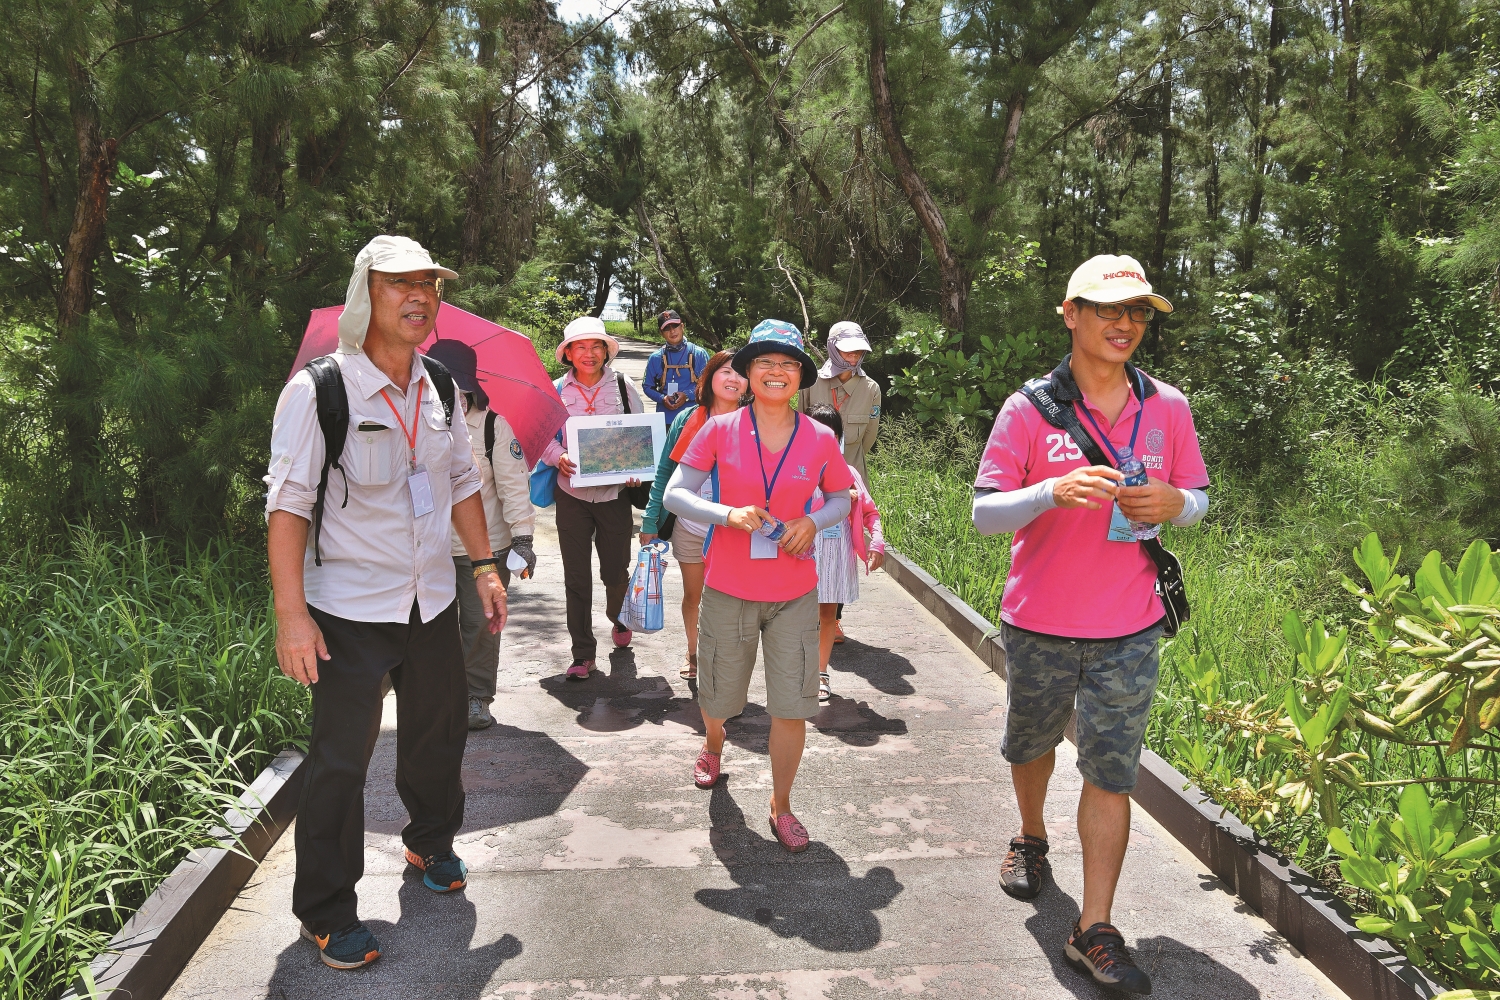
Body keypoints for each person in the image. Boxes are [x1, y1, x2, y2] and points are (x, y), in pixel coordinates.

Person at [265, 236, 506, 970]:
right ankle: (328, 910)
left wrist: (487, 567)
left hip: (430, 598)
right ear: (366, 294)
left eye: (429, 285)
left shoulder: (439, 385)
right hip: (348, 608)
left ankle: (430, 842)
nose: (420, 296)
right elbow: (288, 506)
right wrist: (292, 614)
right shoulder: (319, 390)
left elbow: (463, 481)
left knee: (439, 736)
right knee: (341, 760)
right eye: (401, 283)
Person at [971, 254, 1209, 995]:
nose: (1125, 323)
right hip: (1039, 622)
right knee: (1030, 743)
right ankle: (1031, 836)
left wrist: (1177, 504)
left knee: (1112, 773)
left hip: (1130, 627)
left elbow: (1198, 494)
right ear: (1070, 314)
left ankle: (1094, 927)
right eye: (1109, 309)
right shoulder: (1029, 409)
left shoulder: (1166, 405)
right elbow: (983, 513)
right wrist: (1048, 491)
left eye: (1137, 312)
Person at [664, 319, 853, 853]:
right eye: (764, 363)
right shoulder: (719, 430)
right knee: (720, 696)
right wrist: (726, 513)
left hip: (794, 592)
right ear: (747, 373)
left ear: (800, 377)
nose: (776, 372)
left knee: (792, 705)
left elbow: (842, 497)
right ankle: (714, 743)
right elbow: (679, 494)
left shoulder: (818, 436)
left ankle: (781, 803)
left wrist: (814, 522)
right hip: (727, 587)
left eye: (788, 364)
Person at [424, 339, 538, 732]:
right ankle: (438, 696)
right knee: (431, 627)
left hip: (483, 549)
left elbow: (513, 487)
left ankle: (476, 697)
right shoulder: (414, 423)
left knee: (479, 625)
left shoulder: (493, 427)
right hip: (430, 549)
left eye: (458, 384)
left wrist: (523, 538)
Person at [540, 316, 646, 681]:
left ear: (605, 351)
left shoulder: (622, 385)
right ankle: (582, 653)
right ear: (568, 353)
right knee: (576, 576)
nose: (589, 353)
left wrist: (637, 464)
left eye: (596, 346)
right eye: (580, 347)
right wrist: (558, 457)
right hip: (571, 496)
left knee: (615, 571)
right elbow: (541, 437)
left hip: (615, 495)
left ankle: (618, 615)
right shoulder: (554, 390)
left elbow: (638, 434)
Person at [639, 350, 746, 679]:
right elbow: (664, 473)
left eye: (740, 374)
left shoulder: (756, 422)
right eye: (724, 371)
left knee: (732, 600)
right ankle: (693, 653)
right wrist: (649, 521)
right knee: (693, 594)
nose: (732, 378)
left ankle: (726, 658)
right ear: (709, 377)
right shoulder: (687, 420)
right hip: (689, 526)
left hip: (736, 528)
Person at [803, 320, 882, 644]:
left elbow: (869, 437)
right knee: (812, 547)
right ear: (833, 347)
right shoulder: (810, 384)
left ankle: (833, 618)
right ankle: (807, 612)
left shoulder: (871, 389)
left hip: (850, 478)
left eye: (858, 352)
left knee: (841, 550)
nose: (853, 358)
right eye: (847, 350)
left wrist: (845, 472)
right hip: (810, 479)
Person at [802, 404, 885, 702]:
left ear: (838, 437)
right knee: (798, 617)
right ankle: (800, 671)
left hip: (836, 557)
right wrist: (833, 501)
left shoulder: (849, 473)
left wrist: (877, 543)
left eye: (830, 434)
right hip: (801, 555)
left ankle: (820, 673)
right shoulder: (795, 472)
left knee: (827, 616)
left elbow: (870, 512)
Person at [643, 309, 711, 416]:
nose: (672, 331)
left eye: (675, 326)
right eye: (666, 328)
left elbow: (709, 384)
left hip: (694, 417)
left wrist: (687, 395)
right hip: (664, 419)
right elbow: (647, 386)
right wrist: (662, 398)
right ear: (661, 333)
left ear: (682, 326)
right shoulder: (655, 358)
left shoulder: (699, 354)